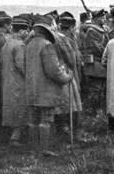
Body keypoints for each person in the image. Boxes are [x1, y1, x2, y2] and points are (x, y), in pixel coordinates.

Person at [25, 16, 71, 156]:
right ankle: (43, 150)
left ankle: (33, 150)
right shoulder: (47, 45)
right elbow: (53, 71)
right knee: (46, 120)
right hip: (46, 90)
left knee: (33, 120)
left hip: (32, 89)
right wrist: (67, 77)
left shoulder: (29, 44)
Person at [0, 15, 30, 146]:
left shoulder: (7, 43)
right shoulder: (20, 45)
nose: (27, 33)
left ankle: (11, 136)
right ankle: (15, 138)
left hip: (8, 81)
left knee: (11, 109)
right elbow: (21, 66)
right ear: (22, 31)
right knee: (20, 109)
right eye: (26, 31)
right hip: (18, 83)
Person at [81, 9, 108, 114]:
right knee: (95, 89)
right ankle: (93, 111)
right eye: (102, 18)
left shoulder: (101, 29)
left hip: (101, 63)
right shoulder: (92, 31)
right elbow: (96, 48)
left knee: (101, 88)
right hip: (96, 64)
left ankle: (99, 110)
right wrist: (108, 50)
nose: (104, 20)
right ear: (96, 20)